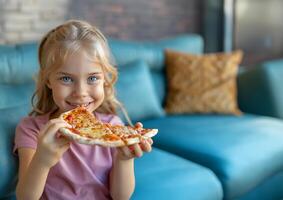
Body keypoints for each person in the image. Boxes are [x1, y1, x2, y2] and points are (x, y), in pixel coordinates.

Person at [14, 19, 153, 200]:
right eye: (66, 79)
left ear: (105, 79)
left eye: (93, 78)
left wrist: (124, 159)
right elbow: (25, 197)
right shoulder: (32, 129)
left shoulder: (112, 127)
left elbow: (121, 196)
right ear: (48, 80)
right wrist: (42, 160)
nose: (80, 93)